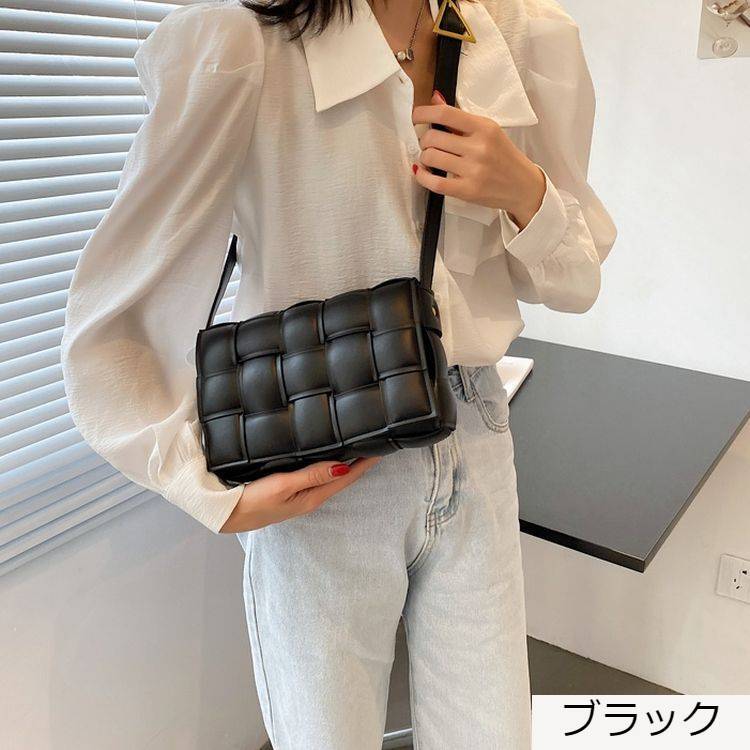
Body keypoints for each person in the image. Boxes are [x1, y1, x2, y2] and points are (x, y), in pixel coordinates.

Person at [60, 0, 616, 746]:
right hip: (320, 460)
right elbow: (116, 310)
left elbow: (574, 283)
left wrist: (524, 190)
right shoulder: (244, 43)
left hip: (474, 430)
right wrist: (202, 485)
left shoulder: (519, 35)